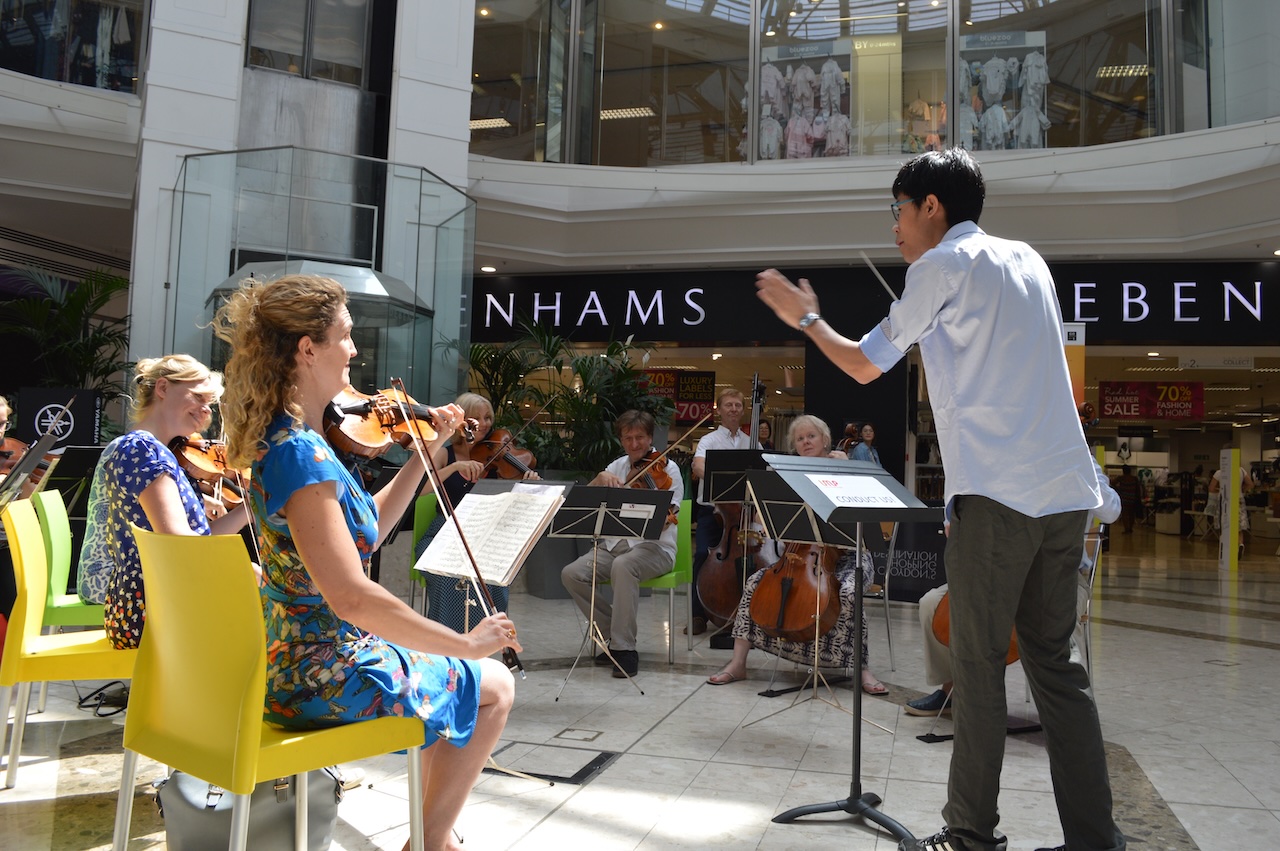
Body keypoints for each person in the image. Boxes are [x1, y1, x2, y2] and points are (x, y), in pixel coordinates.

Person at [755, 148, 1123, 851]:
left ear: (931, 207)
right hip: (1066, 496)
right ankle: (1096, 841)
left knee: (978, 668)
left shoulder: (942, 265)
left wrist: (806, 318)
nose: (894, 227)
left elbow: (865, 362)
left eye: (898, 209)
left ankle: (969, 835)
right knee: (1057, 666)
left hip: (1000, 494)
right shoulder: (1029, 260)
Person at [212, 274, 518, 851]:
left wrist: (422, 459)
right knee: (494, 684)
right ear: (308, 348)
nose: (354, 350)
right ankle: (428, 842)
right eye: (346, 336)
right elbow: (351, 596)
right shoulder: (301, 451)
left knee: (452, 679)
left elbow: (365, 532)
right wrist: (466, 643)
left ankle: (435, 839)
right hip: (321, 670)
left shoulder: (288, 438)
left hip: (293, 660)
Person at [909, 412, 1122, 717]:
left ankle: (1064, 707)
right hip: (997, 574)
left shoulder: (1084, 465)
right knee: (931, 603)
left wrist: (1079, 468)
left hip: (1063, 577)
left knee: (1053, 621)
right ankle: (951, 689)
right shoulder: (1009, 465)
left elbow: (1111, 512)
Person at [76, 356, 251, 650]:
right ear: (162, 388)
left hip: (153, 602)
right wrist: (241, 571)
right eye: (197, 397)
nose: (205, 410)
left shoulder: (154, 451)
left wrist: (251, 508)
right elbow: (180, 546)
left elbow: (197, 542)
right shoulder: (143, 450)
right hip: (151, 608)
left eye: (209, 403)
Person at [706, 414, 887, 695]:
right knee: (755, 583)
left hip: (850, 555)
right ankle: (738, 662)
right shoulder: (789, 474)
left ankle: (862, 669)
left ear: (825, 440)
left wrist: (851, 471)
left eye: (811, 436)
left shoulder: (846, 467)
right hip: (802, 555)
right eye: (800, 439)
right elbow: (765, 517)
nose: (806, 442)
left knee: (850, 592)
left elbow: (869, 507)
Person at [560, 409, 682, 678]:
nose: (635, 444)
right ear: (621, 440)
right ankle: (613, 637)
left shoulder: (669, 469)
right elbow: (584, 502)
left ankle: (625, 649)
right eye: (628, 438)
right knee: (572, 574)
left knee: (624, 566)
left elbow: (666, 520)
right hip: (613, 546)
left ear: (650, 438)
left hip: (654, 549)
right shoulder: (616, 467)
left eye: (640, 437)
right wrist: (599, 479)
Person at [415, 391, 539, 633]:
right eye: (477, 418)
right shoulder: (444, 453)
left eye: (488, 418)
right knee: (450, 576)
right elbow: (419, 489)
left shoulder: (500, 460)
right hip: (444, 534)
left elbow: (511, 505)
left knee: (492, 573)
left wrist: (527, 485)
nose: (484, 425)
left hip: (484, 536)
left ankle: (484, 640)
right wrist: (454, 468)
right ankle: (448, 640)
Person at [689, 387, 750, 635]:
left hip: (742, 515)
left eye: (738, 405)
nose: (733, 409)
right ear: (719, 410)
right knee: (703, 554)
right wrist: (726, 483)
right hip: (711, 511)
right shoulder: (709, 440)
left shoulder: (750, 441)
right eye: (729, 405)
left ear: (744, 410)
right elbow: (699, 466)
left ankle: (740, 613)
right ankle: (697, 614)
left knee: (744, 561)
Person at [1110, 465, 1143, 533]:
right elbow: (1138, 489)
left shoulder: (1121, 478)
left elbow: (1112, 483)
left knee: (1124, 514)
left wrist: (1118, 489)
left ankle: (1126, 529)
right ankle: (1130, 528)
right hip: (1133, 499)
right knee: (1132, 514)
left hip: (1124, 499)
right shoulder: (1134, 478)